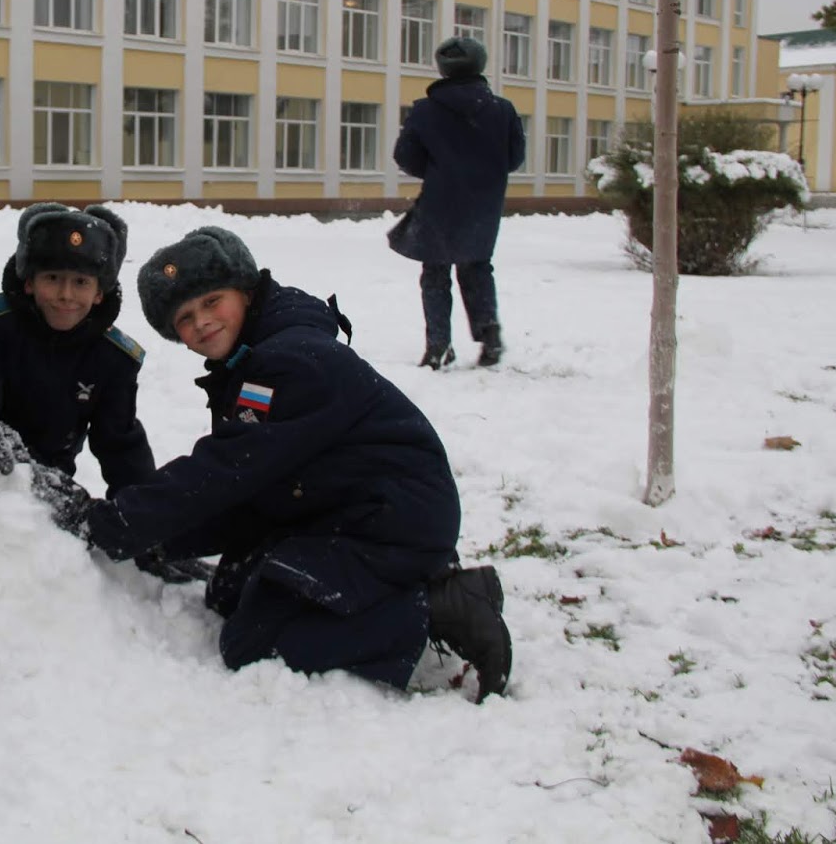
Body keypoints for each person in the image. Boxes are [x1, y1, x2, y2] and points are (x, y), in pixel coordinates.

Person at [64, 226, 512, 700]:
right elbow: (251, 485)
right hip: (344, 508)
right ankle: (410, 586)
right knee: (231, 591)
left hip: (391, 523)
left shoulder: (288, 362)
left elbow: (225, 470)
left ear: (245, 290)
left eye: (212, 301)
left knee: (253, 643)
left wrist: (115, 524)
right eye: (185, 318)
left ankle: (436, 609)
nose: (202, 322)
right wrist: (159, 540)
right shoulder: (256, 357)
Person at [0, 203, 154, 496]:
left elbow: (121, 446)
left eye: (81, 282)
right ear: (29, 282)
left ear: (98, 293)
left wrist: (141, 507)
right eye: (52, 278)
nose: (66, 295)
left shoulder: (113, 357)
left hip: (43, 488)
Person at [388, 35, 526, 369]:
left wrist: (439, 171)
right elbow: (514, 158)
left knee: (435, 273)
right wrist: (484, 174)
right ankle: (490, 336)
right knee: (477, 267)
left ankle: (438, 346)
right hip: (484, 203)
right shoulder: (502, 110)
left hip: (440, 201)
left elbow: (405, 156)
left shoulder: (425, 111)